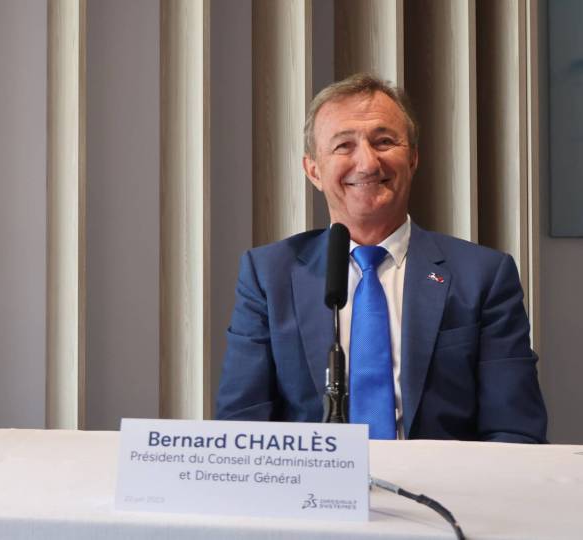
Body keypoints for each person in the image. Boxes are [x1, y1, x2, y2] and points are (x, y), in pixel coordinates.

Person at [216, 73, 547, 442]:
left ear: (413, 158)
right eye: (344, 146)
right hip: (311, 494)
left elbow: (515, 431)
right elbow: (240, 432)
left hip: (443, 493)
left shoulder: (483, 276)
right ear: (313, 170)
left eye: (384, 141)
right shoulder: (268, 276)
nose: (368, 163)